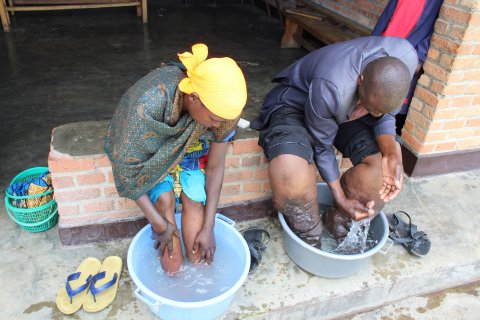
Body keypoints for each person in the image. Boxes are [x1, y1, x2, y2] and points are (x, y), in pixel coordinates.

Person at [251, 36, 418, 242]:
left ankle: (340, 225)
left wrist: (392, 154)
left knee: (380, 172)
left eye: (376, 111)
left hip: (344, 110)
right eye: (368, 107)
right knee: (290, 168)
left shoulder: (405, 59)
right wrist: (340, 197)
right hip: (296, 104)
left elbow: (386, 115)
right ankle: (309, 235)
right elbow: (323, 147)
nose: (372, 114)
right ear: (360, 80)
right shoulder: (333, 86)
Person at [105, 43, 247, 273]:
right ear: (193, 98)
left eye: (224, 120)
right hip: (153, 160)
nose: (219, 125)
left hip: (191, 155)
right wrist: (159, 225)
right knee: (165, 206)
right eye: (214, 119)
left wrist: (209, 226)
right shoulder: (150, 103)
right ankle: (167, 233)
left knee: (196, 231)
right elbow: (125, 168)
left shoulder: (224, 110)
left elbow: (215, 168)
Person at [372, 0, 443, 135]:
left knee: (390, 106)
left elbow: (436, 28)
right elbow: (387, 15)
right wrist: (371, 42)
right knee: (370, 94)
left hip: (405, 54)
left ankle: (383, 147)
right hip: (382, 46)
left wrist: (419, 57)